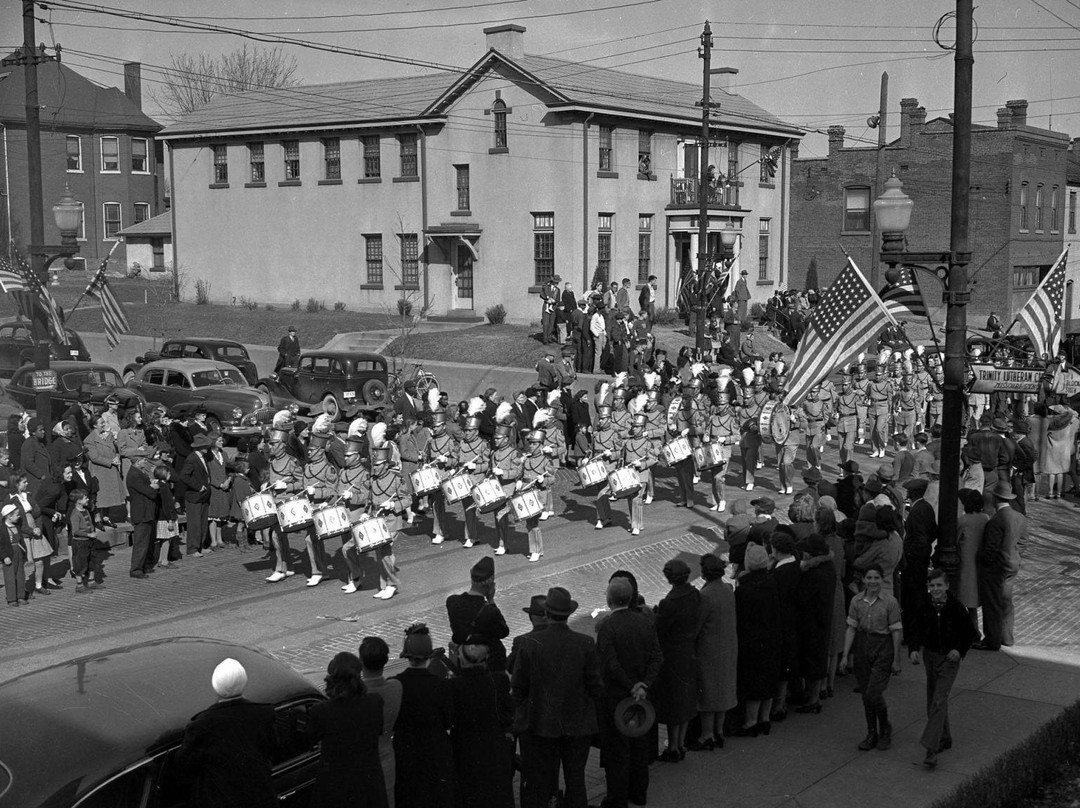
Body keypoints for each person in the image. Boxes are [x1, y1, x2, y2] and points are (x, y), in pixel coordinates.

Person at [511, 586, 602, 808]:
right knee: (575, 779)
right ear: (568, 614)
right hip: (577, 724)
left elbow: (518, 687)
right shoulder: (585, 643)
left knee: (540, 781)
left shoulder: (529, 644)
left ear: (547, 615)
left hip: (540, 724)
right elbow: (596, 687)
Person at [595, 577, 663, 808]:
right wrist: (643, 684)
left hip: (616, 698)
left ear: (609, 599)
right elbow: (657, 657)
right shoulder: (645, 622)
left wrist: (630, 685)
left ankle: (617, 798)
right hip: (641, 698)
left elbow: (610, 663)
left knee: (617, 751)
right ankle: (638, 793)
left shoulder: (607, 626)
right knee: (639, 746)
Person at [176, 658, 279, 808]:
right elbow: (273, 748)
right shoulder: (264, 715)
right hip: (260, 798)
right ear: (244, 683)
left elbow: (183, 767)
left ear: (215, 686)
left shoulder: (201, 725)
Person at [908, 568, 978, 768]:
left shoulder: (956, 608)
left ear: (947, 586)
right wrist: (913, 649)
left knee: (939, 700)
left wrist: (959, 649)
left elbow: (969, 633)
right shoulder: (924, 606)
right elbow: (915, 629)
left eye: (939, 585)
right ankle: (945, 737)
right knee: (934, 699)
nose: (936, 589)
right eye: (932, 586)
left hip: (949, 659)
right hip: (930, 656)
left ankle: (931, 748)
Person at [307, 652, 387, 808]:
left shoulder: (322, 711)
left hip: (335, 787)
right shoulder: (375, 702)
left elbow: (311, 739)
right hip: (369, 785)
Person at [841, 564, 903, 752]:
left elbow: (896, 631)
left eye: (876, 578)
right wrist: (845, 655)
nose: (873, 582)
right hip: (863, 646)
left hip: (883, 647)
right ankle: (871, 733)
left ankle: (884, 728)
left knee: (873, 693)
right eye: (869, 578)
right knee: (866, 693)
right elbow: (851, 628)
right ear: (864, 580)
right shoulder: (856, 601)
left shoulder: (890, 602)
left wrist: (896, 659)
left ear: (882, 579)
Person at [393, 623, 456, 808]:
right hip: (436, 749)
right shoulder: (442, 685)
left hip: (405, 749)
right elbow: (448, 720)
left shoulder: (396, 683)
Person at [449, 637, 515, 808]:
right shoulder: (499, 680)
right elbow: (509, 712)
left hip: (465, 752)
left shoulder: (452, 685)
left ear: (461, 659)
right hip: (494, 749)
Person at [689, 553, 737, 751]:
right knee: (723, 690)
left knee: (708, 692)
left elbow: (696, 625)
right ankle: (719, 731)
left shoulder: (705, 596)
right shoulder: (727, 590)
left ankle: (707, 735)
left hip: (709, 649)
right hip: (728, 646)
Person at [653, 558, 700, 761]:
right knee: (686, 699)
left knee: (674, 702)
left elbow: (659, 629)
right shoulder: (694, 594)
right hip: (689, 650)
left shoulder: (669, 603)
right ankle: (680, 744)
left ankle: (673, 746)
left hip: (673, 655)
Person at [733, 543, 781, 736]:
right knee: (768, 678)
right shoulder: (771, 582)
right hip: (771, 636)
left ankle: (751, 722)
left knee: (754, 680)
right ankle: (765, 718)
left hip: (752, 640)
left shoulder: (744, 590)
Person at [975, 480, 1027, 650]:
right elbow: (1023, 542)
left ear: (996, 499)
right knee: (1006, 601)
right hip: (1013, 563)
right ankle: (1007, 637)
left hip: (997, 567)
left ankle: (992, 640)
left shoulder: (996, 521)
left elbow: (990, 548)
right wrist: (1016, 555)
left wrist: (985, 562)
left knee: (992, 603)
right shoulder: (1019, 517)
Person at [793, 534, 837, 714]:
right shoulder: (828, 568)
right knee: (817, 658)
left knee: (813, 660)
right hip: (821, 618)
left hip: (813, 622)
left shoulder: (815, 574)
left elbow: (800, 597)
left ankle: (813, 699)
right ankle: (814, 696)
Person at [359, 636, 403, 808]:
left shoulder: (358, 695)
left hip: (362, 761)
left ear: (361, 662)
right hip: (386, 757)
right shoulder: (395, 687)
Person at [445, 556, 510, 671]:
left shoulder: (452, 601)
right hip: (489, 665)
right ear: (490, 585)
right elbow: (503, 632)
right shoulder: (490, 611)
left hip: (464, 662)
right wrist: (491, 601)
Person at [956, 488, 988, 630]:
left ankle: (969, 631)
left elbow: (955, 541)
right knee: (973, 604)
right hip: (979, 565)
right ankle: (974, 630)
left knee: (963, 599)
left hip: (965, 564)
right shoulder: (985, 519)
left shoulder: (963, 521)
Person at [1, 502, 27, 606]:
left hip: (18, 551)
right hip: (9, 553)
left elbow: (21, 540)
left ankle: (20, 596)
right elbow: (1, 545)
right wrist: (4, 557)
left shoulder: (17, 526)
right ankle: (11, 598)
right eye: (16, 515)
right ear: (9, 516)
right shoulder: (2, 529)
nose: (18, 516)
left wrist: (24, 553)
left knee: (20, 575)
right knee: (10, 576)